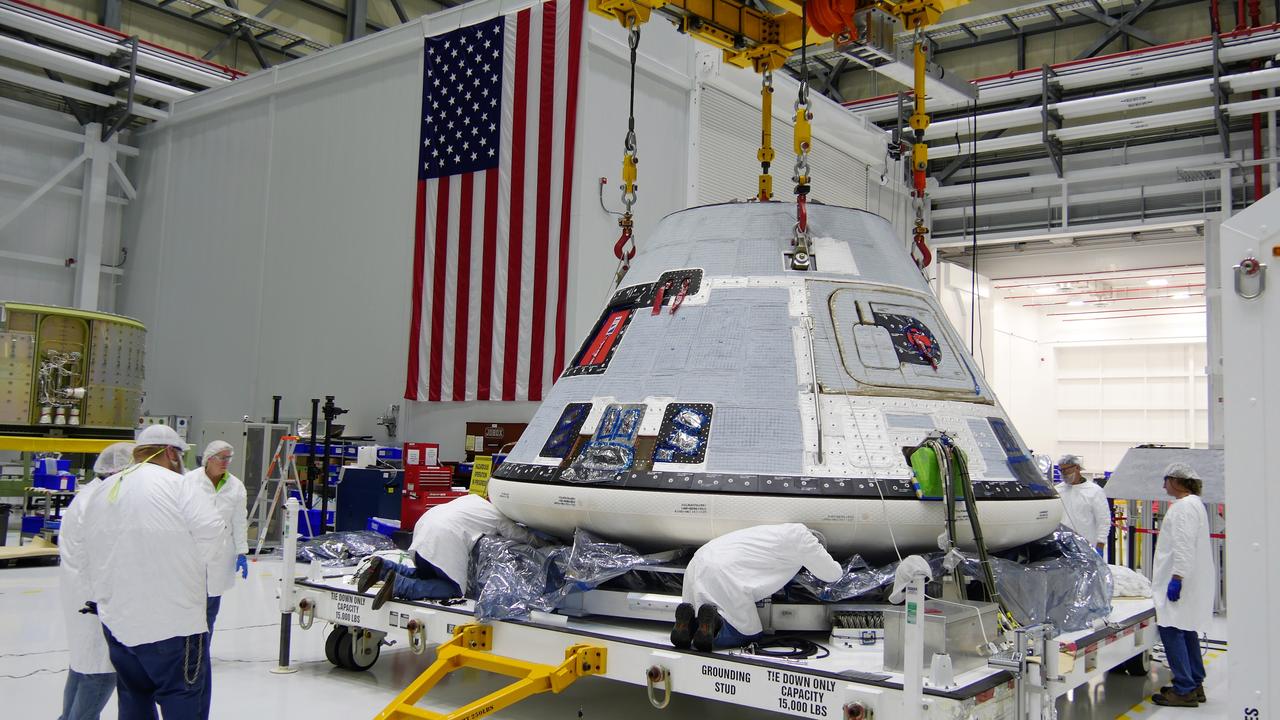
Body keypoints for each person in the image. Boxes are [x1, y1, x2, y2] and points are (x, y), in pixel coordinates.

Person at [65, 425, 227, 720]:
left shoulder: (102, 490)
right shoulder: (178, 485)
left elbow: (85, 549)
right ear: (169, 452)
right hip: (174, 624)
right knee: (182, 695)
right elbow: (214, 536)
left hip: (119, 622)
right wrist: (190, 569)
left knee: (133, 695)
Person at [672, 524, 843, 652]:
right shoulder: (803, 538)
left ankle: (688, 626)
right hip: (725, 570)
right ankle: (716, 627)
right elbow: (831, 574)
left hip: (698, 560)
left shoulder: (770, 531)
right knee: (749, 632)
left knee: (699, 606)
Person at [353, 493, 536, 610]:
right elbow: (519, 535)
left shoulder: (472, 499)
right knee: (453, 588)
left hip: (423, 529)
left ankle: (384, 568)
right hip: (445, 538)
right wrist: (544, 544)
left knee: (427, 574)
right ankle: (400, 586)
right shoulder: (496, 515)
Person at [57, 442, 133, 720]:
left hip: (79, 591)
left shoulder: (89, 493)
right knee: (100, 672)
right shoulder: (104, 501)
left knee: (81, 667)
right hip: (95, 598)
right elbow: (110, 554)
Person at [1150, 462, 1213, 708]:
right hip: (1189, 579)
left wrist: (1176, 578)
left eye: (1166, 480)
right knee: (1187, 629)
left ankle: (1184, 689)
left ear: (1176, 481)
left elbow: (1184, 546)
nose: (1163, 485)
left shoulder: (1184, 508)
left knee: (1171, 629)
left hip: (1178, 580)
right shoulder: (1194, 504)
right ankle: (1195, 682)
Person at [185, 441, 249, 632]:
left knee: (211, 609)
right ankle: (189, 653)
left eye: (229, 458)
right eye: (222, 458)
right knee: (189, 607)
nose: (226, 462)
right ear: (209, 459)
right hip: (192, 551)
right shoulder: (189, 481)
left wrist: (242, 552)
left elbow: (239, 521)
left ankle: (203, 653)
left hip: (221, 553)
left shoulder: (236, 486)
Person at [1055, 454, 1112, 556]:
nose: (1063, 474)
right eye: (1061, 470)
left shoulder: (1094, 491)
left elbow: (1104, 520)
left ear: (1077, 468)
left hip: (1088, 546)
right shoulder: (1057, 490)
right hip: (1062, 546)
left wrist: (1100, 545)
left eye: (1066, 470)